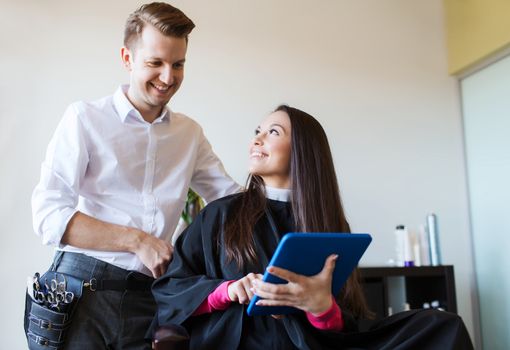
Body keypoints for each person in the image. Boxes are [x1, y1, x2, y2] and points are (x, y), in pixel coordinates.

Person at [151, 105, 474, 349]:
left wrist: (321, 308)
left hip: (310, 340)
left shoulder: (331, 225)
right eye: (258, 130)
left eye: (273, 132)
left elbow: (345, 318)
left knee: (441, 326)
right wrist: (225, 291)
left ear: (302, 151)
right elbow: (169, 291)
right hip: (241, 339)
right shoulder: (220, 215)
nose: (257, 139)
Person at [31, 2, 240, 349]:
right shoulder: (84, 118)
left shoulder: (189, 134)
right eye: (155, 63)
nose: (168, 77)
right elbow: (48, 215)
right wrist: (137, 240)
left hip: (149, 300)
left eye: (178, 64)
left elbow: (231, 202)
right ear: (127, 59)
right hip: (82, 291)